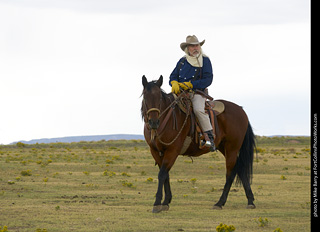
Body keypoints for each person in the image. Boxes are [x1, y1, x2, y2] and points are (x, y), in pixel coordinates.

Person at [169, 35, 216, 151]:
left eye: (197, 45)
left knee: (198, 110)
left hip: (197, 93)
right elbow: (173, 76)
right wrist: (174, 83)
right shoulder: (182, 61)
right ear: (187, 48)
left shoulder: (205, 60)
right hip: (181, 93)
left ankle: (210, 137)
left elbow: (208, 79)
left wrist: (191, 85)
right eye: (192, 46)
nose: (195, 48)